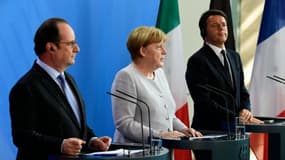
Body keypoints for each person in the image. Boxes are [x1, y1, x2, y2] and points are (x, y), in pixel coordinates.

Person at [9, 18, 111, 160]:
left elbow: (73, 123)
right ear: (51, 47)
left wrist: (92, 140)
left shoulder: (69, 79)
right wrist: (60, 145)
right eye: (71, 44)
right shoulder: (26, 87)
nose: (77, 49)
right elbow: (22, 136)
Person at [185, 9, 263, 159]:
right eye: (215, 25)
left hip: (235, 133)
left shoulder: (235, 57)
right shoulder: (197, 60)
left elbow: (242, 91)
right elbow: (204, 101)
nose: (221, 28)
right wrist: (237, 117)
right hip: (209, 133)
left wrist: (246, 109)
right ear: (204, 31)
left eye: (224, 25)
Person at [111, 26, 202, 145]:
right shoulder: (126, 76)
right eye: (159, 47)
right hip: (136, 153)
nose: (165, 51)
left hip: (162, 151)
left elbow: (168, 116)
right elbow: (124, 123)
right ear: (142, 51)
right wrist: (160, 135)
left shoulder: (159, 74)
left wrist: (183, 129)